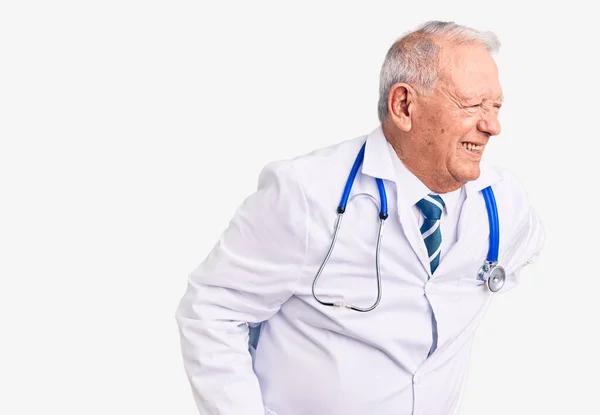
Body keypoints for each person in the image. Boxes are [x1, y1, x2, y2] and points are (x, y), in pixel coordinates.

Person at [175, 20, 545, 415]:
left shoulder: (504, 202)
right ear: (404, 106)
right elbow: (212, 309)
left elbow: (521, 253)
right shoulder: (307, 192)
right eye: (473, 106)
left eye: (495, 106)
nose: (493, 126)